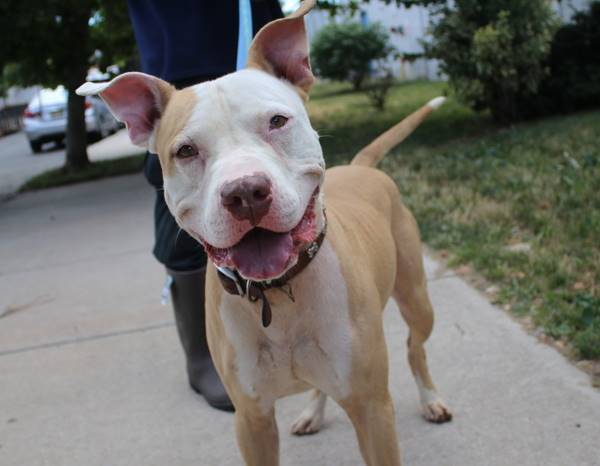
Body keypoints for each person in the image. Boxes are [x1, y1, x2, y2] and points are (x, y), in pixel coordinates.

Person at [126, 0, 284, 412]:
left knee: (276, 159)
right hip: (180, 45)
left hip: (252, 28)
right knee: (181, 180)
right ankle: (202, 356)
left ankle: (303, 329)